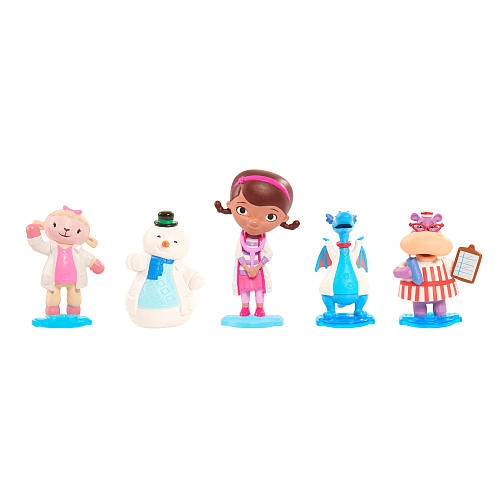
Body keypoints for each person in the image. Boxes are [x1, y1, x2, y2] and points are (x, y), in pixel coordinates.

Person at [215, 169, 299, 317]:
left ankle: (260, 309)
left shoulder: (262, 241)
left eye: (270, 216)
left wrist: (257, 267)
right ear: (230, 205)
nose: (254, 222)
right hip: (244, 270)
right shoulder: (242, 239)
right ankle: (245, 308)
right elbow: (238, 254)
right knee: (244, 291)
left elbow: (269, 254)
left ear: (284, 218)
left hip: (258, 271)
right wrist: (248, 268)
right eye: (242, 210)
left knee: (259, 291)